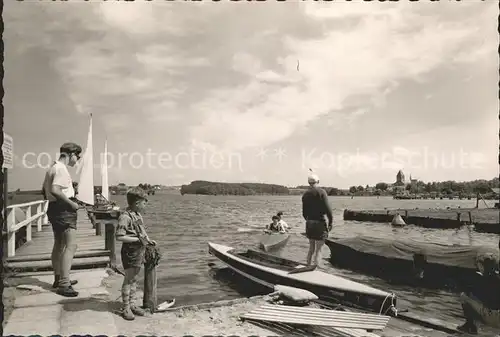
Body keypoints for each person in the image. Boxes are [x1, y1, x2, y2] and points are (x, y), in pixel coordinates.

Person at [42, 142, 82, 297]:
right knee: (71, 245)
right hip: (64, 210)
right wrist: (72, 203)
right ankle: (64, 284)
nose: (77, 160)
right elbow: (55, 189)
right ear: (71, 154)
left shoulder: (52, 168)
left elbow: (45, 191)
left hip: (54, 208)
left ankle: (58, 278)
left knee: (59, 244)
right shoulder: (61, 169)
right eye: (77, 156)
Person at [116, 187, 156, 321]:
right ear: (137, 203)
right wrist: (138, 240)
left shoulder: (137, 215)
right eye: (145, 203)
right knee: (128, 279)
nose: (146, 205)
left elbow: (141, 232)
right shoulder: (125, 217)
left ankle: (132, 304)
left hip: (139, 251)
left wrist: (148, 240)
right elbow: (119, 237)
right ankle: (126, 306)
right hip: (130, 252)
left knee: (134, 279)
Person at [457, 256, 500, 334]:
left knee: (464, 296)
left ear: (482, 266)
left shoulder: (483, 280)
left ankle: (470, 326)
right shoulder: (497, 278)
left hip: (492, 316)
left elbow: (484, 299)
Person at [301, 170, 333, 266]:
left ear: (309, 183)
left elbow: (304, 213)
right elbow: (328, 209)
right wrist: (330, 222)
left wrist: (309, 220)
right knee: (319, 250)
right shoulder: (321, 192)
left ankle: (308, 266)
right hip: (320, 223)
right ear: (317, 182)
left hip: (309, 223)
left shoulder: (305, 194)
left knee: (311, 248)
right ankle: (316, 270)